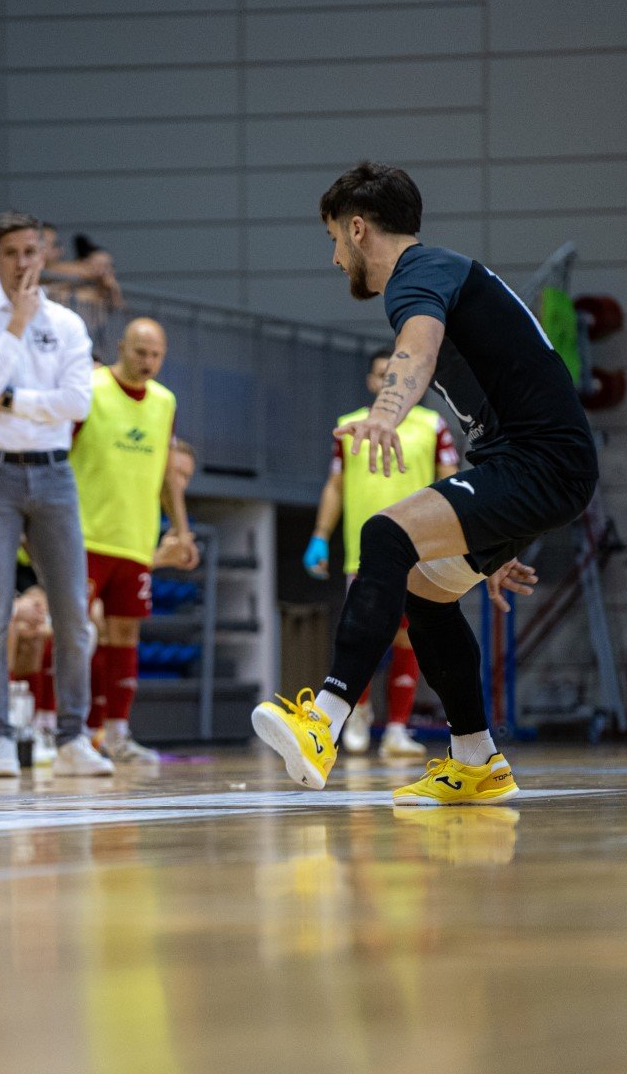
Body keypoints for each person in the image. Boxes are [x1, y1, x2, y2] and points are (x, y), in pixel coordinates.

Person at [251, 161, 596, 805]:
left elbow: (420, 342)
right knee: (424, 590)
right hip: (531, 464)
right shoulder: (449, 271)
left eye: (333, 239)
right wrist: (498, 527)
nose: (334, 258)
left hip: (538, 460)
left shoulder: (418, 273)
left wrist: (386, 411)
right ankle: (476, 760)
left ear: (358, 229)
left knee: (384, 534)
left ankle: (323, 721)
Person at [0, 210, 113, 778]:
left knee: (72, 611)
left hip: (53, 472)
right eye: (11, 253)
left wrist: (11, 400)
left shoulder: (68, 324)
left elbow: (78, 403)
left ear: (44, 255)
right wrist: (15, 324)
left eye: (31, 252)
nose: (22, 262)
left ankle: (72, 737)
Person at [302, 350, 460, 759]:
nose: (389, 381)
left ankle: (396, 729)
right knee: (366, 635)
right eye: (381, 374)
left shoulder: (433, 425)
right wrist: (320, 535)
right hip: (365, 554)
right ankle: (357, 715)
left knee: (411, 637)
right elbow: (335, 486)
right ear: (372, 382)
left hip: (420, 553)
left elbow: (451, 483)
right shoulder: (349, 427)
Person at [70, 317, 197, 764]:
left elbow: (167, 472)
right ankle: (72, 732)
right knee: (76, 634)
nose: (147, 362)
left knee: (125, 634)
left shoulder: (165, 402)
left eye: (156, 355)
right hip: (85, 535)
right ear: (121, 346)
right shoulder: (88, 386)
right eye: (140, 352)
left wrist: (181, 530)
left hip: (136, 540)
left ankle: (117, 734)